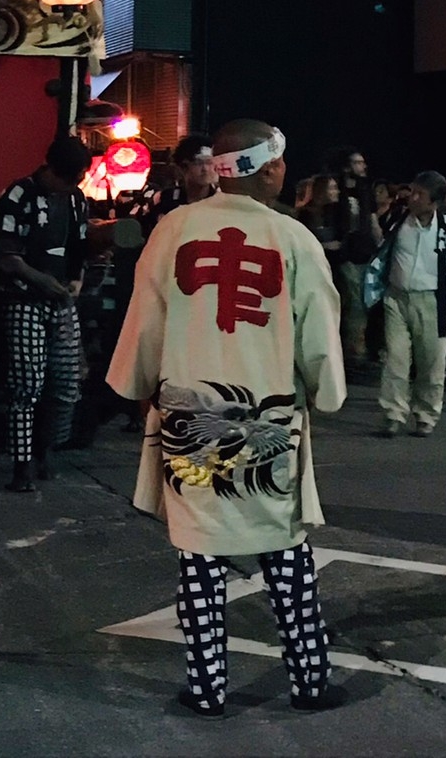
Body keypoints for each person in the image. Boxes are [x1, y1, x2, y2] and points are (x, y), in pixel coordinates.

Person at [107, 119, 348, 717]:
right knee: (284, 548)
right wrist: (326, 393)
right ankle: (309, 681)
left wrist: (139, 385)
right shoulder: (293, 239)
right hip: (268, 419)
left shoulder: (173, 230)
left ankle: (207, 688)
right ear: (268, 169)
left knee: (199, 554)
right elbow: (319, 339)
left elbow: (146, 321)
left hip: (189, 417)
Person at [0, 134, 92, 492]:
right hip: (23, 298)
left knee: (66, 383)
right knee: (26, 386)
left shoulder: (77, 199)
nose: (75, 184)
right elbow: (5, 254)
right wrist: (40, 280)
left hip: (61, 299)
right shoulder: (19, 194)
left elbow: (80, 248)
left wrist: (76, 281)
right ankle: (21, 466)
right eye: (71, 177)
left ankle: (45, 449)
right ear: (54, 170)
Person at [372, 171, 446, 437]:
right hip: (397, 298)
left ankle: (426, 414)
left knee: (432, 363)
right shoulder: (398, 220)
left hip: (433, 301)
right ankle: (393, 413)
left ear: (434, 201)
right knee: (395, 359)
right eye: (412, 191)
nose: (412, 198)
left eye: (419, 194)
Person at [326, 147, 381, 366]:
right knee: (353, 299)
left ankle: (357, 345)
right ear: (347, 166)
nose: (363, 166)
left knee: (363, 300)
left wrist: (380, 245)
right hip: (345, 253)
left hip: (365, 251)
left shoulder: (365, 190)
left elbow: (373, 220)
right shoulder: (336, 189)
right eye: (358, 163)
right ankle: (354, 347)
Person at [135, 134, 217, 237]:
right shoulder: (165, 199)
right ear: (183, 167)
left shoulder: (220, 201)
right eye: (198, 163)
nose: (205, 169)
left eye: (209, 162)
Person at [296, 174, 342, 265]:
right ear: (321, 190)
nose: (337, 191)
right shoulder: (305, 215)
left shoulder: (332, 213)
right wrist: (325, 245)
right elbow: (301, 244)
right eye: (332, 188)